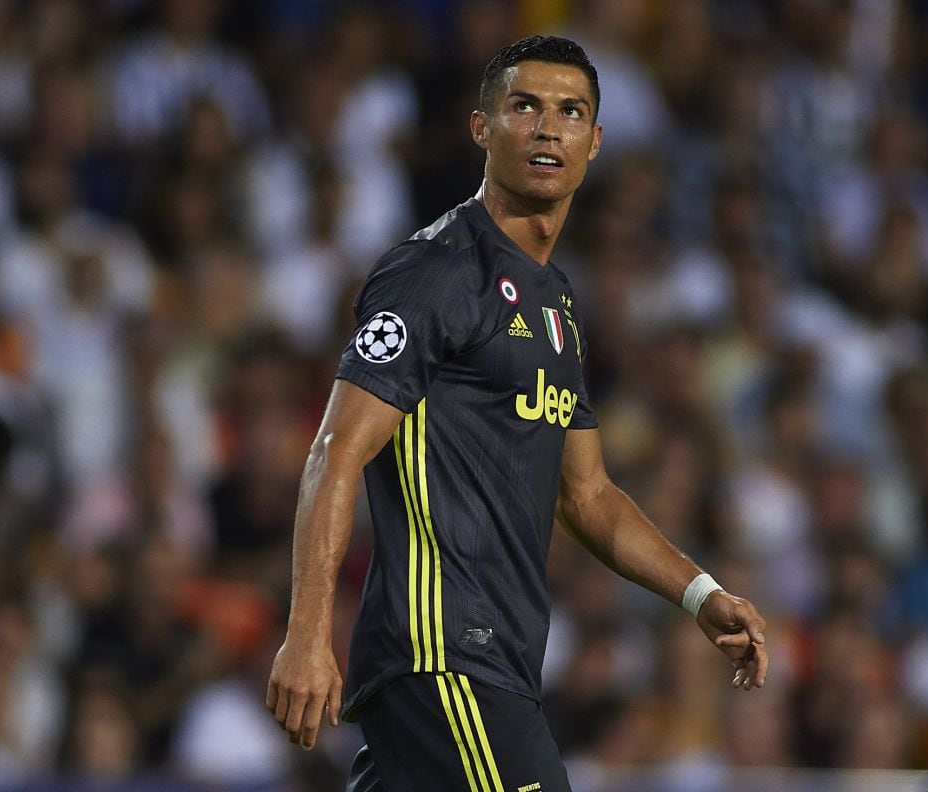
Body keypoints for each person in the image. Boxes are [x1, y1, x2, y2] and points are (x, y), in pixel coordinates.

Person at [265, 35, 770, 790]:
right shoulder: (434, 271)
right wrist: (307, 631)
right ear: (482, 127)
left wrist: (699, 595)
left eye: (570, 113)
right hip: (443, 656)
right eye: (524, 106)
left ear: (594, 142)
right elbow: (336, 449)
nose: (546, 128)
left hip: (497, 663)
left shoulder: (559, 301)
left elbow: (589, 494)